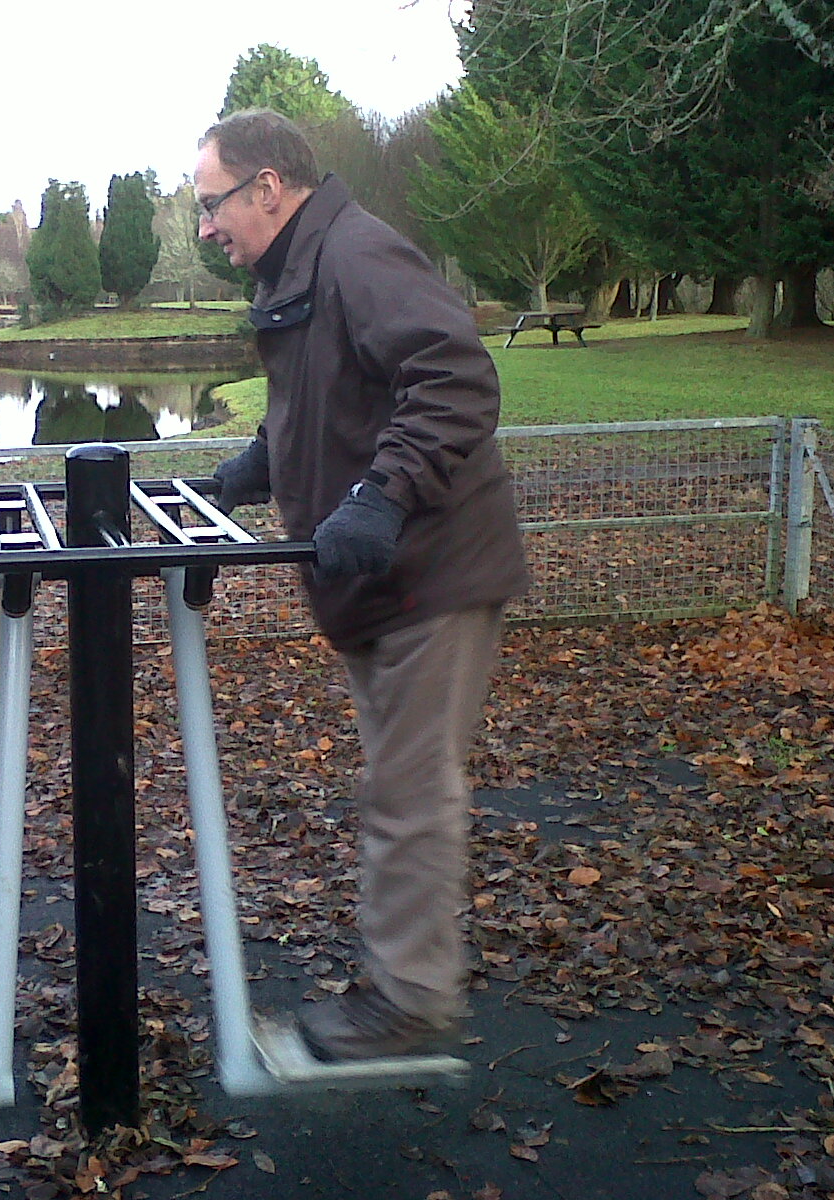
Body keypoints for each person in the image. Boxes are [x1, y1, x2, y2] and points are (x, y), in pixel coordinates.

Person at [197, 110, 529, 1062]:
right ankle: (402, 981)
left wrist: (384, 494)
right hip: (380, 577)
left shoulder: (357, 253)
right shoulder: (302, 266)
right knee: (397, 783)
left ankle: (411, 1002)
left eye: (213, 204)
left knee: (409, 791)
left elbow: (454, 376)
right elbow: (334, 392)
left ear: (268, 187)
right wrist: (265, 458)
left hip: (431, 567)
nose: (206, 227)